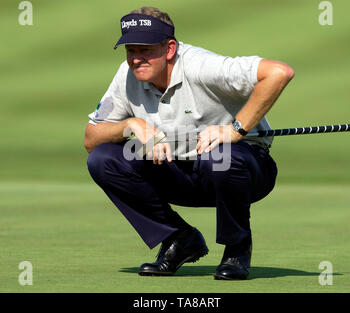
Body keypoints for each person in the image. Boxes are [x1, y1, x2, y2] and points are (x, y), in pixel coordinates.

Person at [84, 6, 294, 280]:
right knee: (103, 159)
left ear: (170, 49)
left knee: (217, 155)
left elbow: (279, 72)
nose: (136, 60)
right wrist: (130, 125)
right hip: (178, 171)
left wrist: (235, 129)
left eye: (145, 50)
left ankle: (237, 247)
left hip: (244, 171)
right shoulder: (126, 75)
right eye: (131, 51)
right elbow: (91, 138)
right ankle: (179, 239)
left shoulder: (202, 66)